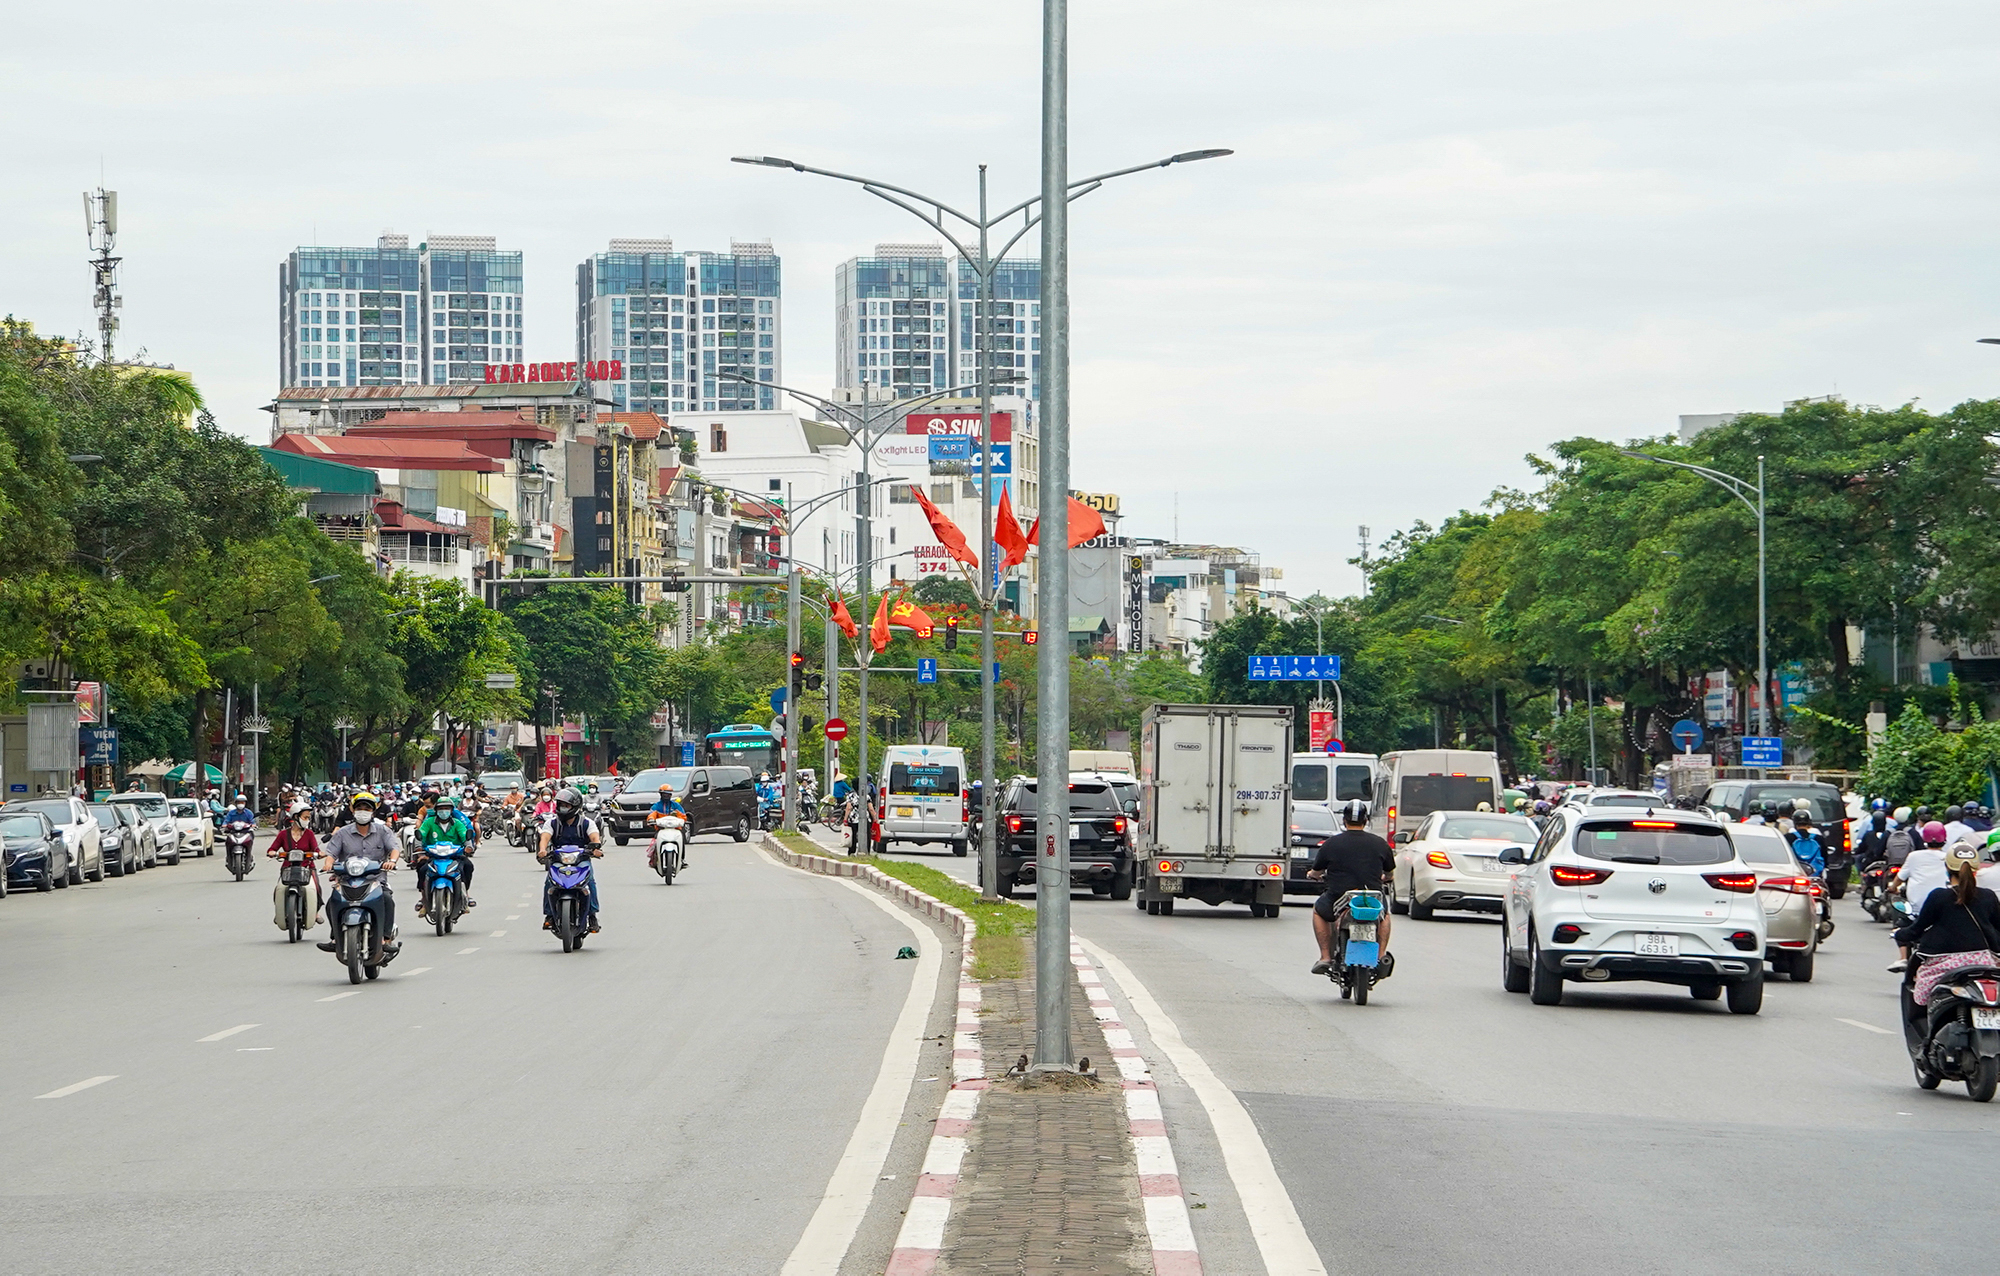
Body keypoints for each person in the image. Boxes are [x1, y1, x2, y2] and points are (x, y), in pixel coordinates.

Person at [1894, 848, 2000, 1018]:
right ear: (1976, 869)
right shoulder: (1988, 897)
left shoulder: (1938, 897)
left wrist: (1900, 934)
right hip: (1983, 962)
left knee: (1920, 991)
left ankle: (1926, 1036)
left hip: (1944, 964)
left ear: (1947, 867)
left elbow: (1917, 929)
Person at [1306, 799, 1396, 976]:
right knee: (1384, 915)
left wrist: (1312, 875)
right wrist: (1386, 878)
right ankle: (1381, 955)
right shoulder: (1380, 844)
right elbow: (1390, 872)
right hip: (1371, 899)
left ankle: (1325, 957)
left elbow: (1316, 871)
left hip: (1338, 898)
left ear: (1344, 820)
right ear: (1366, 820)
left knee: (1318, 911)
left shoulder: (1331, 843)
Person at [316, 791, 401, 954]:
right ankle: (335, 937)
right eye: (359, 807)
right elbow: (331, 854)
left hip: (376, 881)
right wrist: (328, 864)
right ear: (352, 809)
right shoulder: (342, 833)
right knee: (331, 903)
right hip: (347, 880)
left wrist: (392, 861)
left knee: (387, 900)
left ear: (373, 811)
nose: (363, 811)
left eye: (367, 808)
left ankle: (386, 938)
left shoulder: (383, 831)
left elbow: (394, 849)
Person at [537, 786, 603, 932]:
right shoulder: (552, 823)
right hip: (558, 860)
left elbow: (594, 837)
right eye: (561, 805)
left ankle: (592, 915)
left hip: (581, 860)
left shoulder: (586, 823)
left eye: (566, 805)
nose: (563, 808)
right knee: (549, 883)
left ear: (575, 806)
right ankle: (549, 915)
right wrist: (542, 850)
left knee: (590, 881)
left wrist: (596, 849)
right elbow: (545, 837)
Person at [1890, 821, 1953, 972]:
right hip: (1941, 911)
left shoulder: (1914, 856)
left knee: (1901, 925)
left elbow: (1899, 878)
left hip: (1916, 910)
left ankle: (1903, 957)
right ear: (1944, 839)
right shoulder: (1948, 857)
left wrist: (1892, 888)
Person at [412, 793, 477, 913]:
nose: (444, 811)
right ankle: (423, 898)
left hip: (455, 856)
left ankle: (465, 895)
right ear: (436, 810)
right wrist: (419, 848)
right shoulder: (429, 822)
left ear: (451, 810)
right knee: (422, 868)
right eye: (441, 809)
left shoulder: (457, 823)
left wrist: (468, 846)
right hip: (433, 856)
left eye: (446, 808)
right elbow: (420, 834)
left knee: (467, 866)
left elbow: (465, 835)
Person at [267, 800, 326, 930]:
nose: (307, 820)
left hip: (307, 868)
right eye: (305, 817)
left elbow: (315, 849)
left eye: (308, 817)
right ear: (295, 817)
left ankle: (314, 912)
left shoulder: (309, 833)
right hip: (288, 869)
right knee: (278, 890)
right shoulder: (283, 834)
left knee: (316, 888)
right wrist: (272, 852)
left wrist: (319, 853)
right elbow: (273, 848)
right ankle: (280, 913)